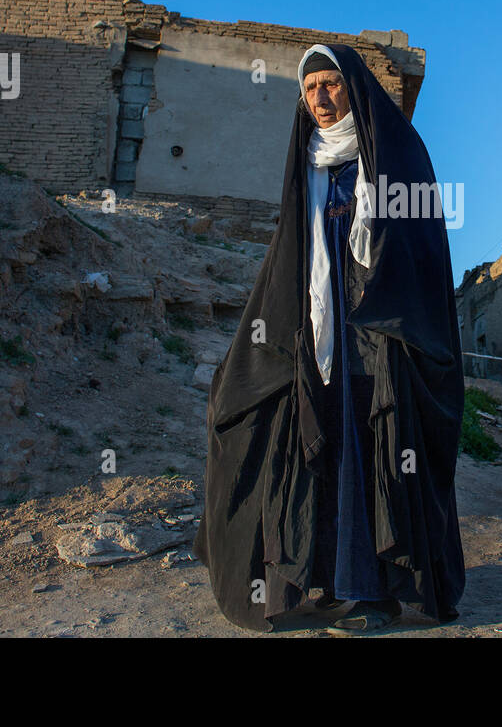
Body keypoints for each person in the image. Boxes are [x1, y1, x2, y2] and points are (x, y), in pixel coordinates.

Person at [192, 43, 467, 634]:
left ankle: (373, 592)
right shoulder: (307, 160)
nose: (319, 97)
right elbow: (290, 254)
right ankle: (326, 582)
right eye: (309, 87)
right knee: (307, 437)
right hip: (318, 330)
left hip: (381, 334)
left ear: (354, 89)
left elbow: (421, 252)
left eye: (331, 85)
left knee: (373, 448)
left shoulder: (398, 154)